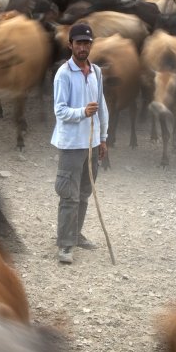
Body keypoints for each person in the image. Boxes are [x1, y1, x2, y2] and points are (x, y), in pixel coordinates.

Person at [51, 22, 109, 265]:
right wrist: (82, 112)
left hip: (91, 143)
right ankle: (65, 245)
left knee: (84, 192)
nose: (83, 47)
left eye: (87, 43)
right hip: (71, 144)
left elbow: (102, 107)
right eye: (79, 43)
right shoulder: (64, 73)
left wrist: (103, 138)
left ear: (91, 45)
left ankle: (76, 234)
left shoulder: (96, 72)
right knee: (69, 195)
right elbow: (60, 111)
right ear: (70, 45)